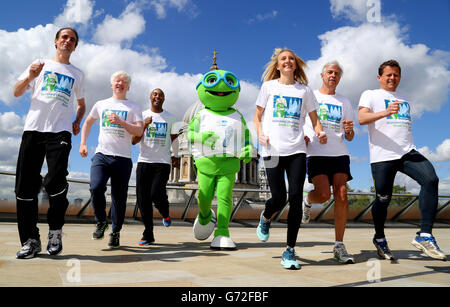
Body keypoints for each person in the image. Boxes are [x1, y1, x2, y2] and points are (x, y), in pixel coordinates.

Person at [358, 60, 446, 261]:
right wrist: (385, 112)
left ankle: (424, 235)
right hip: (383, 155)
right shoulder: (370, 94)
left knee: (430, 179)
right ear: (380, 77)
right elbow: (362, 119)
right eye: (388, 74)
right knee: (383, 199)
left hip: (408, 152)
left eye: (396, 75)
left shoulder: (404, 98)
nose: (392, 78)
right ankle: (379, 238)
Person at [13, 28, 86, 259]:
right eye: (64, 37)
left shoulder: (78, 74)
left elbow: (81, 104)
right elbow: (16, 92)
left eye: (72, 39)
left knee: (55, 181)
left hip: (60, 133)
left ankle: (55, 232)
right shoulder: (39, 64)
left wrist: (77, 120)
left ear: (75, 46)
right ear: (56, 42)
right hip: (33, 130)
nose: (68, 41)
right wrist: (30, 76)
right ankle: (30, 240)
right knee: (25, 187)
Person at [253, 48, 327, 269]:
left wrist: (319, 132)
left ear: (296, 65)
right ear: (277, 66)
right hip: (272, 150)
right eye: (283, 59)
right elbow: (257, 116)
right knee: (278, 197)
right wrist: (260, 134)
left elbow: (315, 120)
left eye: (291, 59)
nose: (287, 61)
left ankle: (290, 250)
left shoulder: (305, 91)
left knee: (295, 196)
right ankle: (266, 218)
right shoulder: (268, 87)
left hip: (297, 150)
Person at [79, 71, 143, 248]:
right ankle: (101, 222)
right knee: (96, 187)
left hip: (123, 158)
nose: (120, 84)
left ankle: (115, 232)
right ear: (111, 84)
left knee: (118, 197)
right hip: (102, 154)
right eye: (117, 81)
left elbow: (138, 131)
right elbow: (88, 122)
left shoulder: (134, 107)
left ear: (128, 87)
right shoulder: (101, 104)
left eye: (124, 82)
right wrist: (83, 143)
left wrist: (121, 122)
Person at [303, 61, 355, 264]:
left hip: (339, 153)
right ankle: (308, 200)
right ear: (322, 75)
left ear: (340, 78)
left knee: (342, 194)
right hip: (316, 152)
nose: (333, 76)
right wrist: (305, 138)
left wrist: (350, 131)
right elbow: (300, 123)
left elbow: (349, 136)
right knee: (324, 195)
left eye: (337, 74)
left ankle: (339, 245)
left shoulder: (345, 102)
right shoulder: (311, 96)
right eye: (330, 72)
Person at [131, 88, 179, 246]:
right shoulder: (141, 115)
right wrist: (144, 125)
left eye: (160, 95)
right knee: (142, 199)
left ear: (164, 99)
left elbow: (174, 139)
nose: (157, 97)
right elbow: (134, 140)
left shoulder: (171, 118)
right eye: (155, 94)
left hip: (162, 162)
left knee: (156, 193)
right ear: (150, 97)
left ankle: (165, 213)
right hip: (144, 161)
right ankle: (148, 234)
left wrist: (175, 155)